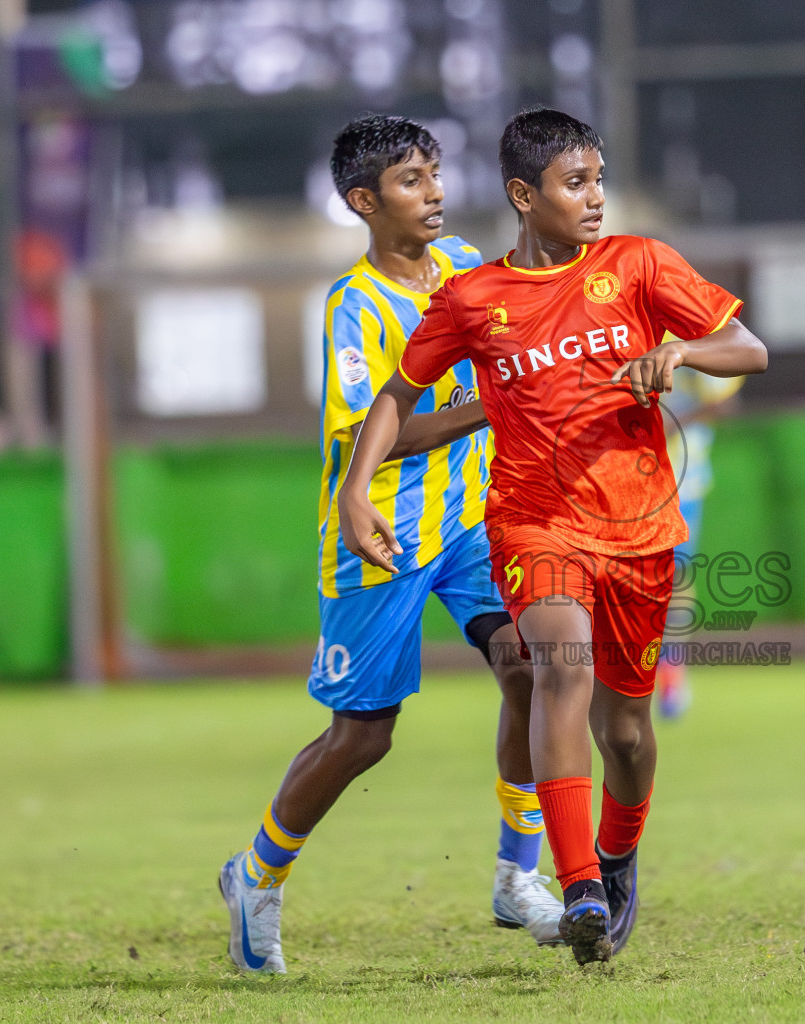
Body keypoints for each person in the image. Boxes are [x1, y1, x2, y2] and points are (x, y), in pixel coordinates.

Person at [337, 108, 768, 964]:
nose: (597, 198)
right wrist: (358, 489)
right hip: (535, 527)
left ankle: (616, 855)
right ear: (524, 196)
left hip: (641, 532)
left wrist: (678, 353)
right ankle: (576, 892)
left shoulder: (639, 264)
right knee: (557, 674)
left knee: (629, 736)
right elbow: (394, 398)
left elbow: (747, 347)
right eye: (578, 184)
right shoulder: (473, 298)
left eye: (600, 180)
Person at [218, 115, 563, 975]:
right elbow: (386, 430)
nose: (435, 191)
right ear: (363, 202)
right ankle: (256, 874)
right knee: (364, 735)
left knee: (531, 664)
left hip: (476, 521)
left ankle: (518, 878)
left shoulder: (468, 267)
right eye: (411, 180)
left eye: (436, 173)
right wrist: (498, 407)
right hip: (381, 532)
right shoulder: (352, 306)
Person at [655, 365, 745, 718]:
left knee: (674, 580)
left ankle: (671, 672)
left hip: (680, 480)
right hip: (615, 476)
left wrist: (675, 419)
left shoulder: (693, 330)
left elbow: (725, 401)